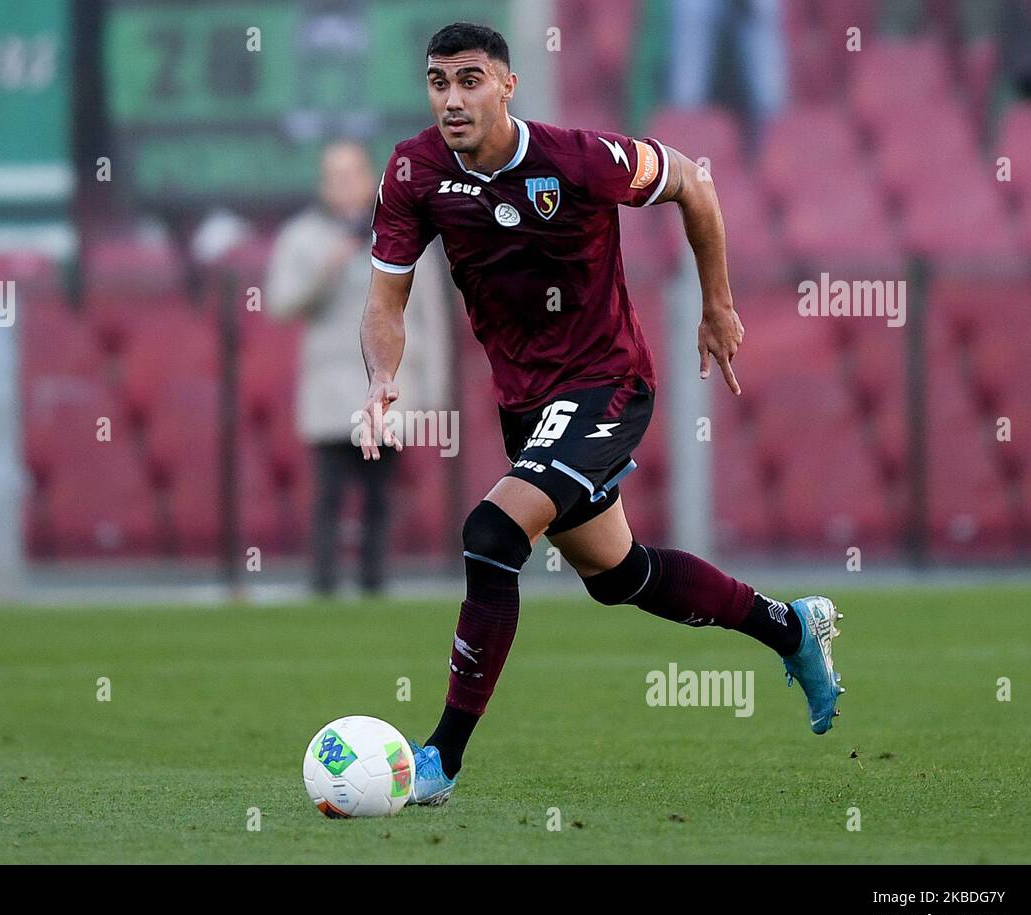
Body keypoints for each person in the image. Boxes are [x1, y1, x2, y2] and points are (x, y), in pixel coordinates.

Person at [357, 23, 845, 806]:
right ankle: (791, 627)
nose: (453, 98)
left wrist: (717, 305)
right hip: (526, 405)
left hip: (605, 382)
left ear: (507, 85)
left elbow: (695, 183)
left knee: (490, 534)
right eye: (439, 82)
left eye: (471, 80)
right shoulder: (414, 171)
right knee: (621, 577)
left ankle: (442, 757)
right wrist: (383, 374)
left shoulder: (578, 159)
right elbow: (386, 297)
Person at [269, 140, 450, 596]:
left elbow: (427, 315)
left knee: (379, 495)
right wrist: (326, 269)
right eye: (335, 176)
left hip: (387, 388)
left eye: (353, 174)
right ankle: (323, 585)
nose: (344, 185)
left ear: (370, 179)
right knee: (328, 495)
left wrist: (433, 389)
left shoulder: (404, 232)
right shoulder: (302, 237)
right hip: (330, 390)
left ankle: (374, 585)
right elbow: (281, 304)